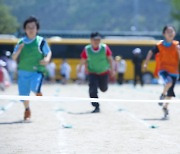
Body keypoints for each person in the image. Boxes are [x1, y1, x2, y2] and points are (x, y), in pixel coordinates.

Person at [12, 16, 52, 121]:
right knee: (23, 95)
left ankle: (37, 90)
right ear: (25, 29)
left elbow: (48, 52)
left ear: (37, 29)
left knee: (35, 88)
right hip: (23, 72)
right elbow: (13, 57)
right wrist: (19, 50)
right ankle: (27, 109)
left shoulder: (40, 41)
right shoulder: (21, 42)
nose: (30, 29)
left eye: (33, 27)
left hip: (36, 71)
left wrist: (47, 59)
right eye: (28, 27)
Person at [144, 25, 180, 119]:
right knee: (168, 82)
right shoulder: (159, 45)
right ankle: (162, 94)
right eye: (168, 32)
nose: (170, 33)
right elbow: (150, 52)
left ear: (175, 33)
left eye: (172, 31)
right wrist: (146, 63)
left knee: (171, 93)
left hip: (174, 71)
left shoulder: (177, 45)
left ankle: (165, 107)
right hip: (163, 69)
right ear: (164, 34)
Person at [78, 32, 114, 113]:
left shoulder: (104, 48)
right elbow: (83, 59)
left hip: (104, 72)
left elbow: (110, 59)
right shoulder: (87, 49)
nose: (97, 41)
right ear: (91, 40)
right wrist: (80, 68)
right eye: (95, 40)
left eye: (98, 40)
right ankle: (96, 106)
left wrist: (112, 70)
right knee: (92, 89)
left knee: (103, 89)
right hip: (92, 72)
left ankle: (103, 87)